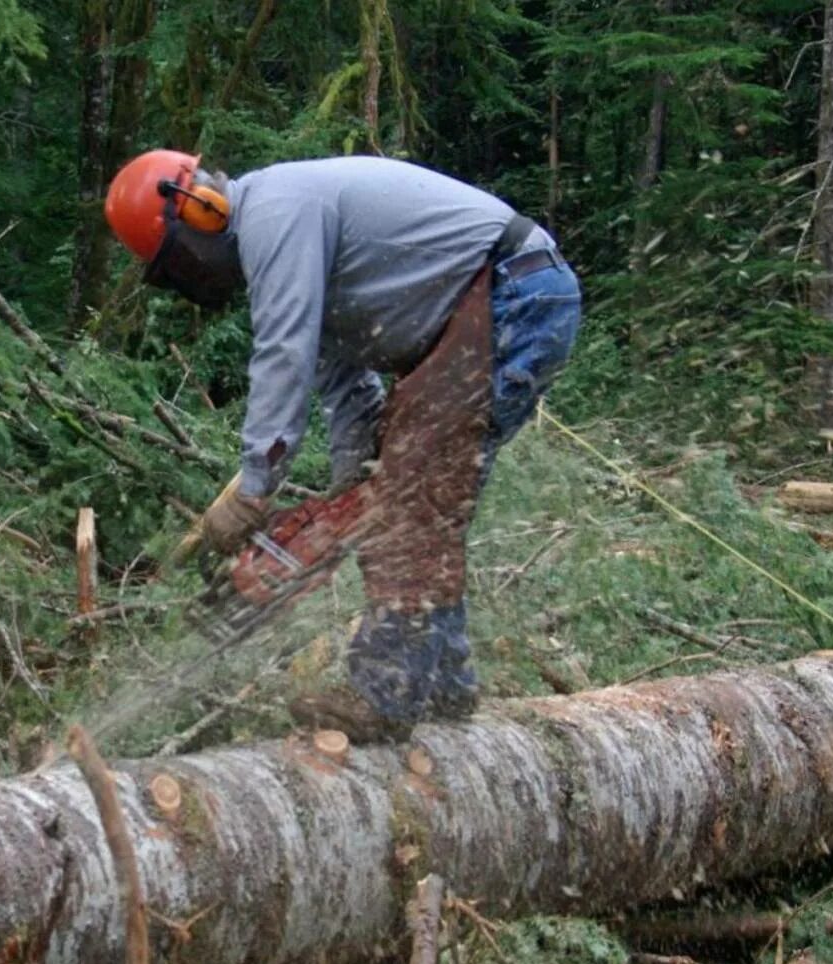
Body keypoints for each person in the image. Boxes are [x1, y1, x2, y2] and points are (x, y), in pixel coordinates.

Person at [104, 150, 582, 741]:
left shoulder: (274, 213)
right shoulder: (292, 240)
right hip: (492, 304)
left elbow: (285, 353)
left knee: (414, 500)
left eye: (175, 262)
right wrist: (355, 485)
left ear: (200, 210)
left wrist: (255, 488)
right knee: (411, 496)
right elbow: (347, 386)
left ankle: (389, 691)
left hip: (514, 293)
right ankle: (445, 684)